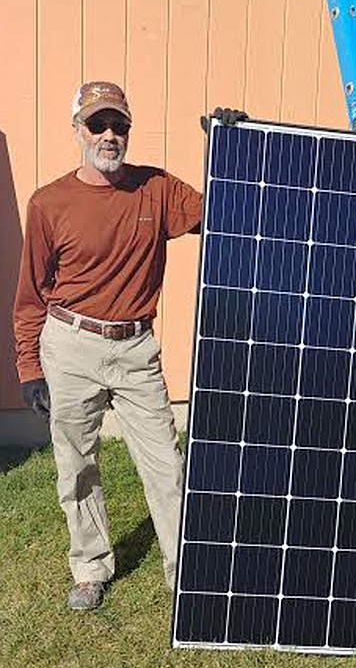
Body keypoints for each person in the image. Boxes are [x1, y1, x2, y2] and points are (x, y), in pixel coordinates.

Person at [13, 81, 243, 611]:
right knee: (77, 465)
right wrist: (29, 367)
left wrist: (232, 147)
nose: (109, 135)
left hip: (137, 350)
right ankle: (90, 568)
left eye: (119, 125)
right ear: (78, 131)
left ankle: (185, 573)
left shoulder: (157, 189)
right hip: (70, 345)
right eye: (98, 125)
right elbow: (30, 294)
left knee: (167, 462)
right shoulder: (49, 203)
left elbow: (223, 213)